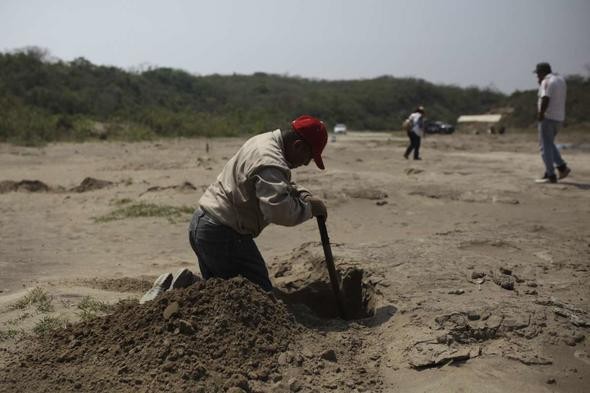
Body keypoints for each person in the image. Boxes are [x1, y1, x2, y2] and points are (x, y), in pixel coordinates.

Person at [187, 115, 328, 292]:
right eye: (308, 157)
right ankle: (183, 286)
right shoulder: (270, 161)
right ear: (297, 145)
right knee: (259, 296)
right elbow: (278, 210)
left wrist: (300, 192)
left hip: (203, 223)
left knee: (221, 291)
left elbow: (271, 182)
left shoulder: (265, 141)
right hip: (223, 233)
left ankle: (185, 285)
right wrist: (309, 209)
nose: (306, 163)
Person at [533, 62, 572, 183]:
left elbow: (545, 98)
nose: (537, 77)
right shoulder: (560, 80)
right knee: (549, 144)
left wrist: (540, 114)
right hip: (559, 117)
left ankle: (550, 175)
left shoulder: (546, 81)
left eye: (538, 74)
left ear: (542, 72)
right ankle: (562, 167)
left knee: (545, 147)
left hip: (548, 117)